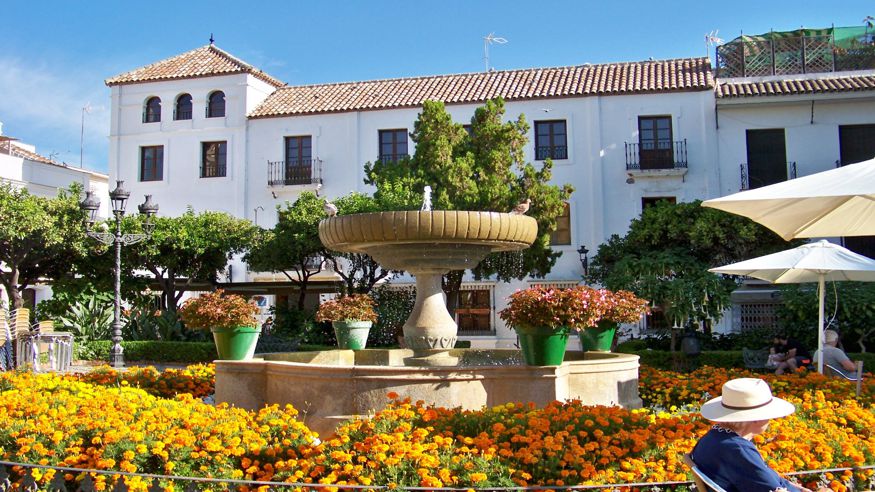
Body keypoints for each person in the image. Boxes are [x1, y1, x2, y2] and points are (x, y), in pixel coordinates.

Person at [690, 378, 826, 492]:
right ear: (757, 418)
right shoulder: (737, 449)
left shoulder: (714, 436)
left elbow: (766, 479)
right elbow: (772, 488)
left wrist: (797, 488)